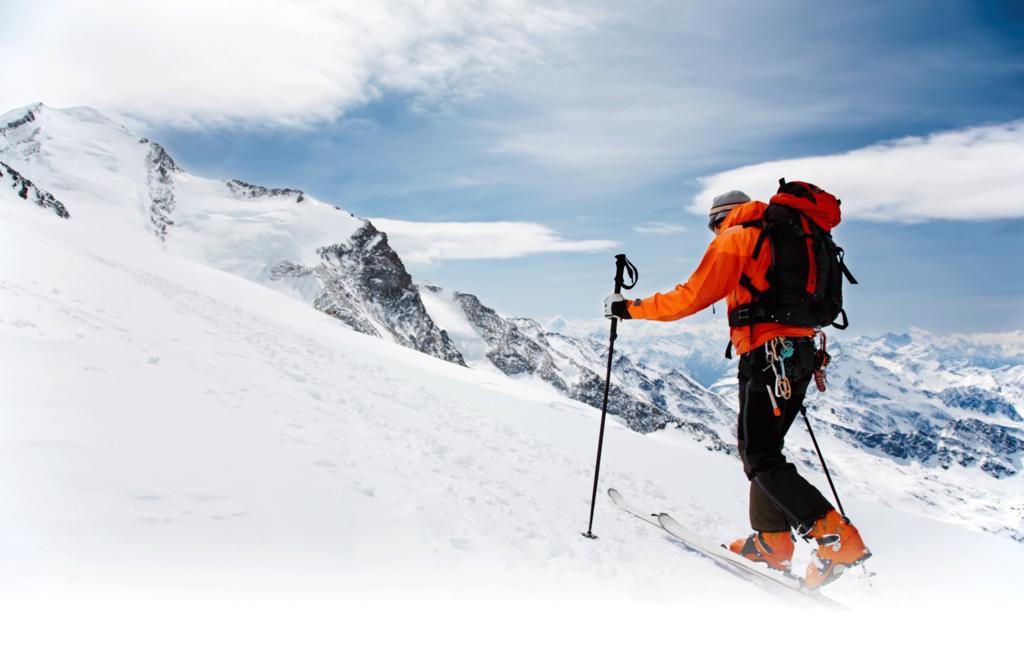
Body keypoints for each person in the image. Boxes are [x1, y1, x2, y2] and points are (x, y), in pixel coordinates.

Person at [603, 187, 871, 589]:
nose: (714, 233)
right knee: (765, 454)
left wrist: (629, 308)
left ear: (721, 218)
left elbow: (690, 297)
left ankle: (834, 537)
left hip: (767, 355)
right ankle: (772, 541)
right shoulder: (793, 237)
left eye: (713, 225)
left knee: (759, 456)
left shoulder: (739, 236)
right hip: (800, 354)